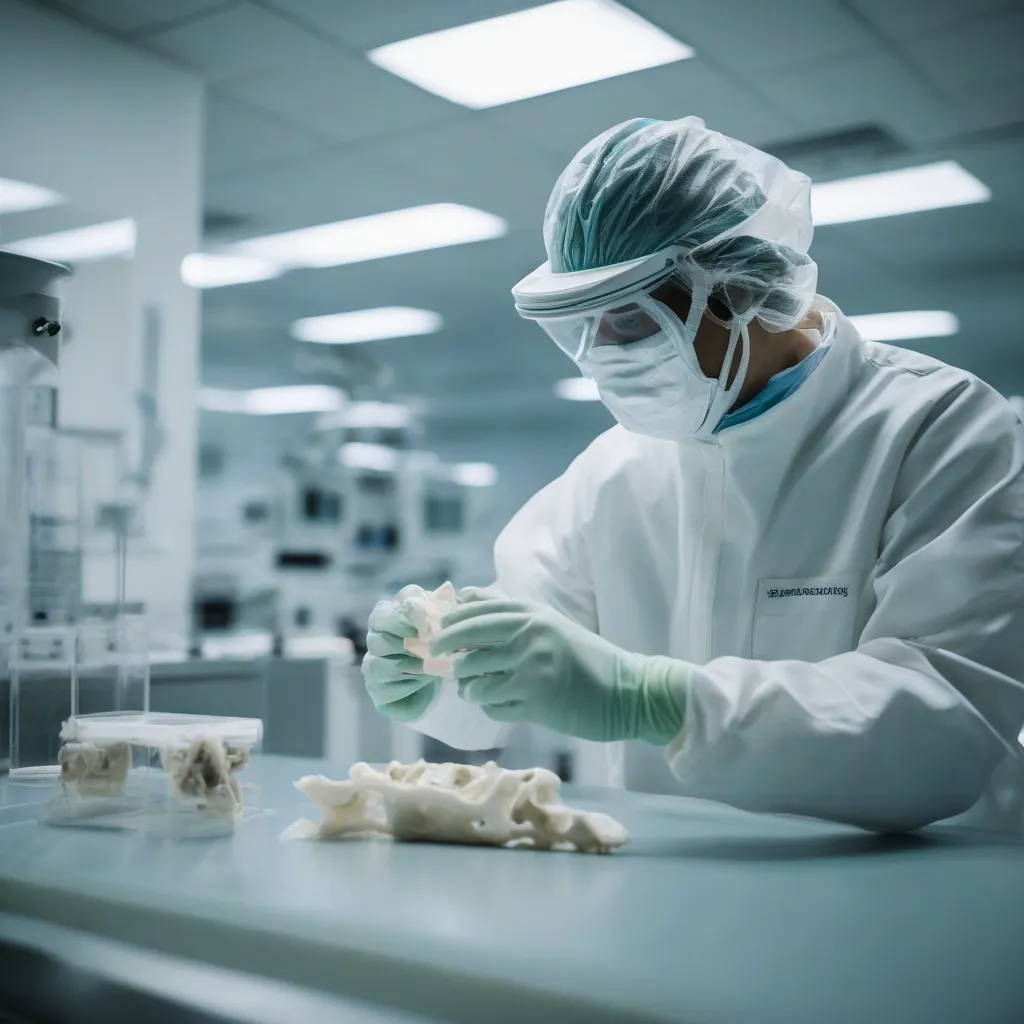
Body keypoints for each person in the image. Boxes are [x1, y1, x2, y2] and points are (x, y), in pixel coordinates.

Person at [363, 116, 1024, 834]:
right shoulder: (615, 468)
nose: (599, 354)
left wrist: (655, 700)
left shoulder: (936, 426)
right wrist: (435, 669)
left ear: (736, 286)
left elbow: (942, 725)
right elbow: (517, 644)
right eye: (579, 327)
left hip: (893, 899)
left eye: (624, 317)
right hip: (660, 893)